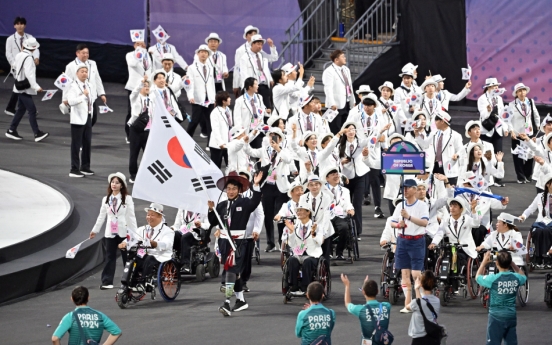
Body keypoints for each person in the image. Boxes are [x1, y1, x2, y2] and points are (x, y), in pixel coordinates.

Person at [208, 171, 263, 316]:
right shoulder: (221, 205)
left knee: (231, 270)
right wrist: (211, 209)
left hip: (238, 242)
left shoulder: (245, 203)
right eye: (229, 189)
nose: (231, 191)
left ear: (239, 190)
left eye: (234, 189)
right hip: (224, 242)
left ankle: (226, 302)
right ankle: (241, 300)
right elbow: (213, 222)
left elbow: (255, 202)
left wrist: (256, 185)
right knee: (234, 271)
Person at [245, 128, 292, 252]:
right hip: (267, 185)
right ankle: (271, 242)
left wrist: (278, 148)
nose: (273, 138)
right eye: (271, 136)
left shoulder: (284, 150)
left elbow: (288, 159)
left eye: (276, 136)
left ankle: (283, 241)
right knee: (268, 214)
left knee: (281, 214)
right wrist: (247, 139)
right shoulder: (264, 151)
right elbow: (250, 151)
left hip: (281, 186)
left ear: (280, 139)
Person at [90, 172, 137, 289]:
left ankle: (130, 281)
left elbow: (131, 217)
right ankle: (107, 281)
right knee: (109, 257)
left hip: (123, 232)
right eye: (112, 182)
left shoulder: (127, 199)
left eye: (117, 182)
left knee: (127, 258)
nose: (114, 184)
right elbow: (101, 216)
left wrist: (134, 234)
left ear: (122, 185)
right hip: (110, 232)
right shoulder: (106, 199)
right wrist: (95, 230)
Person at [390, 179, 429, 313]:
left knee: (416, 273)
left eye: (407, 188)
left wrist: (409, 217)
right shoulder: (400, 205)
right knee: (404, 273)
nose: (405, 191)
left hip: (417, 241)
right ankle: (408, 303)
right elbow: (392, 222)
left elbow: (424, 222)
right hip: (402, 240)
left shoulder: (422, 205)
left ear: (414, 189)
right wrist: (397, 225)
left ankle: (420, 300)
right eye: (403, 188)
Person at [117, 203, 174, 288]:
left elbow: (167, 244)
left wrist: (155, 244)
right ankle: (128, 282)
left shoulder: (168, 231)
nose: (149, 217)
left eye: (152, 215)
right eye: (148, 215)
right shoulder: (142, 229)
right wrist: (124, 243)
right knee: (133, 258)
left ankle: (142, 283)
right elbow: (132, 238)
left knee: (149, 258)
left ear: (160, 217)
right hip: (144, 254)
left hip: (160, 255)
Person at [476, 250, 526, 345]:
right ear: (510, 262)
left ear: (497, 263)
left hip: (496, 316)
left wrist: (483, 263)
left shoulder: (493, 278)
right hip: (511, 315)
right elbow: (523, 276)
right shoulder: (516, 278)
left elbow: (478, 277)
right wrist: (513, 264)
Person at [429, 197, 479, 292]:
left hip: (465, 248)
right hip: (452, 248)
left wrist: (473, 209)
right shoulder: (446, 221)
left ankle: (456, 282)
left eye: (455, 206)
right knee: (446, 257)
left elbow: (476, 224)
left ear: (461, 209)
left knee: (457, 257)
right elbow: (440, 233)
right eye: (451, 206)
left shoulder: (467, 219)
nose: (452, 208)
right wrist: (434, 243)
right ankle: (446, 280)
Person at [5, 37, 48, 142]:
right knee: (32, 110)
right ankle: (37, 133)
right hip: (25, 89)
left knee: (21, 109)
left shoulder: (19, 55)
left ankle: (11, 130)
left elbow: (13, 67)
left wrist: (19, 78)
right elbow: (30, 75)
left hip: (19, 86)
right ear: (34, 48)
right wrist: (37, 87)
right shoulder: (29, 58)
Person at [51, 286, 121, 345]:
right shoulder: (100, 315)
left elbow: (55, 338)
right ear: (88, 298)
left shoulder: (70, 317)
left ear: (72, 299)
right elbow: (117, 332)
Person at [62, 44, 106, 127]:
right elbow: (66, 83)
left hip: (91, 95)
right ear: (77, 53)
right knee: (82, 118)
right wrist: (65, 98)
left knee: (93, 117)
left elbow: (97, 79)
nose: (86, 55)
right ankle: (82, 133)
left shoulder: (93, 64)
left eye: (87, 53)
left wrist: (102, 94)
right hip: (78, 96)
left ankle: (86, 131)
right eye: (83, 53)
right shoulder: (70, 66)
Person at [284, 199, 323, 295]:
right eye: (298, 211)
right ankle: (294, 286)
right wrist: (292, 232)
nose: (299, 212)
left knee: (308, 262)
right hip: (299, 252)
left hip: (313, 254)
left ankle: (305, 287)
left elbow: (319, 242)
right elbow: (292, 245)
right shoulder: (295, 226)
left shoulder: (316, 226)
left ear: (308, 212)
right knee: (291, 260)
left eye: (301, 210)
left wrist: (313, 234)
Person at [338, 121, 370, 237]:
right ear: (344, 132)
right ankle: (346, 231)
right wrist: (341, 162)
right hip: (345, 177)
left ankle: (357, 231)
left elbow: (371, 139)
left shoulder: (360, 143)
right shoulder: (340, 145)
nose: (351, 131)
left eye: (353, 129)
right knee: (346, 204)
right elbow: (335, 161)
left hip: (360, 175)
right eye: (349, 129)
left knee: (357, 204)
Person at [341, 274, 391, 345]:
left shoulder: (361, 309)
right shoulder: (386, 306)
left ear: (363, 292)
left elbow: (347, 303)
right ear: (377, 291)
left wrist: (347, 285)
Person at [416, 110, 463, 186]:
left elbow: (461, 149)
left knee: (449, 190)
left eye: (436, 120)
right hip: (435, 166)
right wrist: (417, 135)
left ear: (442, 121)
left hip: (449, 167)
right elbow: (424, 145)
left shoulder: (456, 135)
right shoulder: (434, 133)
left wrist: (456, 155)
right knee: (435, 191)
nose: (434, 122)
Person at [5, 16, 40, 117]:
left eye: (22, 24)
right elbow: (8, 54)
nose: (20, 26)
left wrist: (36, 57)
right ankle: (30, 109)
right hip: (17, 67)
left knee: (20, 86)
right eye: (18, 24)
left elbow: (36, 48)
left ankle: (11, 108)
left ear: (25, 25)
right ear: (14, 26)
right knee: (23, 85)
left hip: (28, 65)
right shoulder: (10, 39)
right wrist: (14, 64)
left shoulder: (30, 37)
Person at [67, 64, 97, 178]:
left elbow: (91, 100)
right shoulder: (73, 86)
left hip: (88, 116)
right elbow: (71, 101)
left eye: (86, 71)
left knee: (87, 143)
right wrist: (83, 96)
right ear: (77, 73)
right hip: (77, 119)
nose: (85, 73)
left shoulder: (88, 85)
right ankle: (74, 168)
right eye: (82, 71)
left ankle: (85, 166)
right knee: (76, 144)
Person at [233, 25, 278, 98]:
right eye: (250, 34)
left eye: (255, 34)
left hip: (261, 82)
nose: (253, 35)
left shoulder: (259, 49)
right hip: (250, 84)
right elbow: (237, 68)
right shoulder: (240, 50)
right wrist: (235, 85)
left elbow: (272, 59)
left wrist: (272, 47)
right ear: (246, 36)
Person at [478, 77, 507, 187]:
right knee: (486, 154)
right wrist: (488, 110)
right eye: (494, 86)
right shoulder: (482, 99)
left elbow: (503, 115)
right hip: (486, 130)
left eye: (497, 86)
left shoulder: (499, 99)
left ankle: (498, 178)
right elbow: (483, 115)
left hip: (498, 130)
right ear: (488, 87)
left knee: (499, 154)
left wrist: (505, 128)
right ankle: (486, 177)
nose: (496, 88)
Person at [508, 82, 540, 184]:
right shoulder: (512, 104)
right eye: (519, 91)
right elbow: (508, 119)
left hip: (528, 132)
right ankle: (521, 177)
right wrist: (511, 131)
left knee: (530, 155)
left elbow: (535, 115)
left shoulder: (530, 102)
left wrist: (537, 128)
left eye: (523, 90)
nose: (522, 93)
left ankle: (527, 175)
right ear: (516, 93)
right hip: (517, 133)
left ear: (526, 91)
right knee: (517, 156)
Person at [239, 170, 264, 292]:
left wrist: (256, 230)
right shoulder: (230, 194)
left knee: (245, 259)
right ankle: (229, 282)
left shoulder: (252, 196)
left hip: (249, 234)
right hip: (233, 234)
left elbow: (260, 215)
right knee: (233, 259)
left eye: (244, 180)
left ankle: (243, 281)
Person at [300, 175, 334, 263]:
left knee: (324, 254)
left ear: (320, 185)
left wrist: (322, 234)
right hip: (309, 228)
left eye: (316, 184)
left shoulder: (326, 197)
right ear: (308, 186)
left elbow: (326, 217)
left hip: (324, 227)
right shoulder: (303, 198)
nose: (314, 187)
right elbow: (301, 214)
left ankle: (326, 272)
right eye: (311, 185)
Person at [186, 44, 216, 144]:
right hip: (198, 99)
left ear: (208, 55)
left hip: (209, 99)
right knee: (194, 121)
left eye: (205, 52)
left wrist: (214, 98)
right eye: (201, 52)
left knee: (210, 122)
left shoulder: (211, 67)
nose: (203, 54)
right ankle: (186, 141)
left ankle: (210, 144)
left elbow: (211, 84)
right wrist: (191, 96)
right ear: (198, 54)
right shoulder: (192, 68)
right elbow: (190, 83)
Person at [323, 167, 354, 260]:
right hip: (326, 216)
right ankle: (328, 251)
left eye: (337, 174)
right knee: (324, 228)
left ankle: (339, 252)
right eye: (333, 175)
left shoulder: (345, 191)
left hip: (339, 215)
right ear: (327, 178)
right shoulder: (322, 190)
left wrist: (350, 209)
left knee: (344, 228)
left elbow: (348, 203)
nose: (336, 176)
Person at [124, 39, 152, 142]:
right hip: (134, 87)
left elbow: (150, 70)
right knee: (132, 110)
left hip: (146, 87)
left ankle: (144, 132)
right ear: (134, 45)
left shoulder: (148, 56)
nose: (140, 45)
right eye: (137, 44)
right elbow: (133, 64)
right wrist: (138, 52)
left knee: (146, 110)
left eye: (142, 43)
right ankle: (129, 133)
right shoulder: (130, 55)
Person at [239, 34, 276, 110]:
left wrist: (272, 46)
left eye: (261, 44)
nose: (260, 46)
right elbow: (243, 74)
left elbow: (273, 58)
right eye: (258, 44)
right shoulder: (245, 57)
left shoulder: (262, 55)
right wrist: (249, 86)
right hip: (253, 86)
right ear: (252, 44)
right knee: (254, 108)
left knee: (267, 109)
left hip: (264, 85)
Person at [127, 76, 153, 183]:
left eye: (148, 86)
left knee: (148, 154)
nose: (146, 87)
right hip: (135, 129)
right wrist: (141, 82)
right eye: (144, 85)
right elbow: (134, 92)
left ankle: (147, 174)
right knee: (134, 153)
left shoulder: (151, 100)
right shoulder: (135, 98)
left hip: (147, 129)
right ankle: (133, 174)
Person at [322, 49, 355, 133]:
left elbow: (349, 86)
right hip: (336, 105)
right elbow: (328, 88)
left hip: (347, 102)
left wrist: (352, 101)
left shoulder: (346, 69)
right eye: (343, 57)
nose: (345, 58)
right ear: (336, 59)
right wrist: (332, 103)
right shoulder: (329, 71)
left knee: (346, 127)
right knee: (335, 129)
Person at [405, 271, 441, 345]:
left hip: (419, 337)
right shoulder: (437, 301)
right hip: (433, 336)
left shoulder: (416, 303)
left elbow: (407, 306)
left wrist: (409, 289)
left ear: (421, 284)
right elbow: (422, 302)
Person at [234, 77, 267, 148]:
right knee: (245, 154)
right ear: (250, 87)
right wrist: (240, 131)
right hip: (246, 130)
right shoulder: (240, 101)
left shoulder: (259, 97)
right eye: (256, 84)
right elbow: (237, 118)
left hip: (257, 129)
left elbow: (262, 109)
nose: (258, 86)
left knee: (258, 152)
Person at [275, 179, 303, 248]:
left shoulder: (307, 204)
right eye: (297, 190)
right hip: (290, 229)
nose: (300, 192)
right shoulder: (286, 205)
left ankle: (302, 250)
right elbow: (280, 213)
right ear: (291, 193)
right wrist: (278, 216)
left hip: (303, 229)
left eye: (301, 190)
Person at [209, 91, 234, 168]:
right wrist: (220, 143)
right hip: (217, 145)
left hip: (228, 144)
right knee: (216, 167)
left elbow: (230, 126)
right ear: (223, 101)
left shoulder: (228, 110)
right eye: (228, 98)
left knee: (230, 166)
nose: (230, 99)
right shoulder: (215, 113)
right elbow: (215, 129)